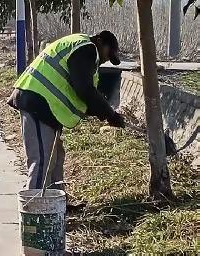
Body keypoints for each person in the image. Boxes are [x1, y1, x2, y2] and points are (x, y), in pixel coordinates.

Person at [7, 30, 125, 191]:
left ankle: (57, 202)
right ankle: (34, 209)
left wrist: (105, 113)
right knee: (42, 160)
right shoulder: (87, 48)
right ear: (100, 41)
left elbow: (81, 95)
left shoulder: (82, 49)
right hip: (37, 102)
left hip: (47, 106)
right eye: (108, 53)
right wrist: (110, 114)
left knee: (55, 157)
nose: (105, 60)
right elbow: (84, 89)